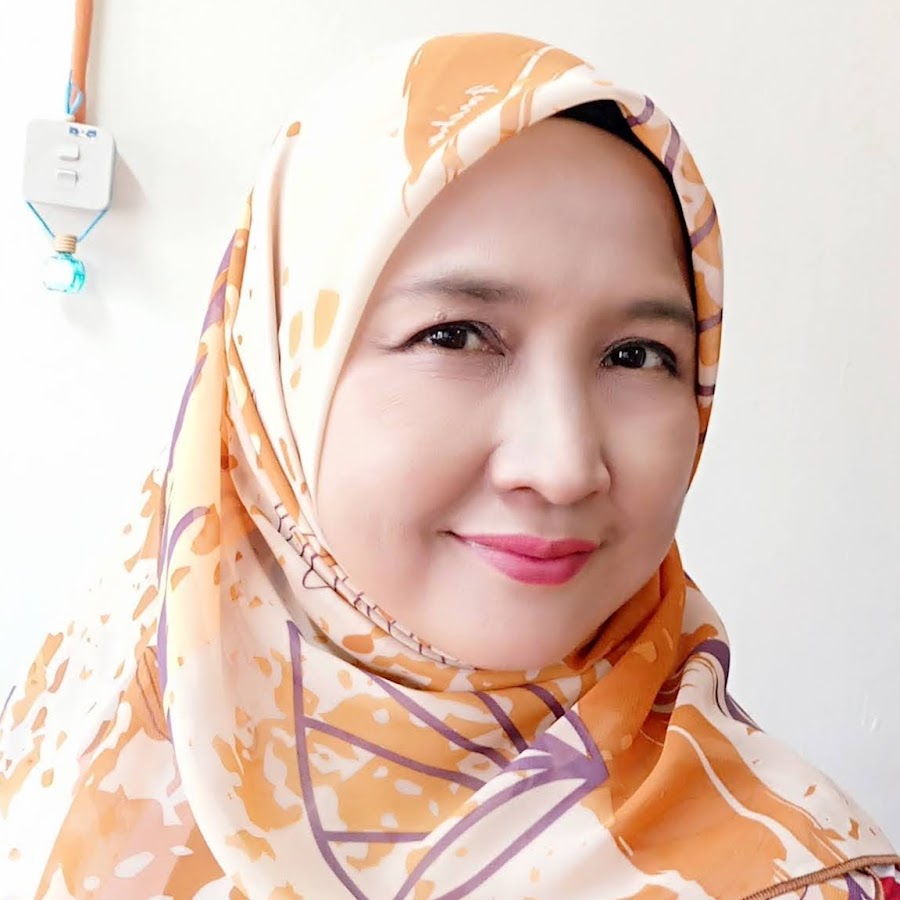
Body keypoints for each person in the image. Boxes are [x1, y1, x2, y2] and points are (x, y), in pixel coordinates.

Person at [1, 32, 897, 899]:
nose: (563, 466)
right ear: (275, 376)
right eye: (456, 336)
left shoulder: (804, 878)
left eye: (635, 355)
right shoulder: (73, 744)